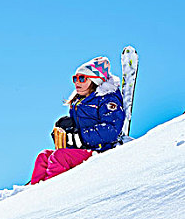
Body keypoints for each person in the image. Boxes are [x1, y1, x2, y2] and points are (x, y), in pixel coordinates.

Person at [30, 56, 125, 185]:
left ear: (94, 80)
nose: (77, 82)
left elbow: (112, 129)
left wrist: (80, 136)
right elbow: (79, 127)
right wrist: (67, 130)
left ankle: (50, 191)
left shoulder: (107, 99)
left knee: (59, 157)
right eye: (75, 78)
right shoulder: (78, 102)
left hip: (100, 151)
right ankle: (34, 191)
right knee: (44, 156)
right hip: (82, 149)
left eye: (82, 78)